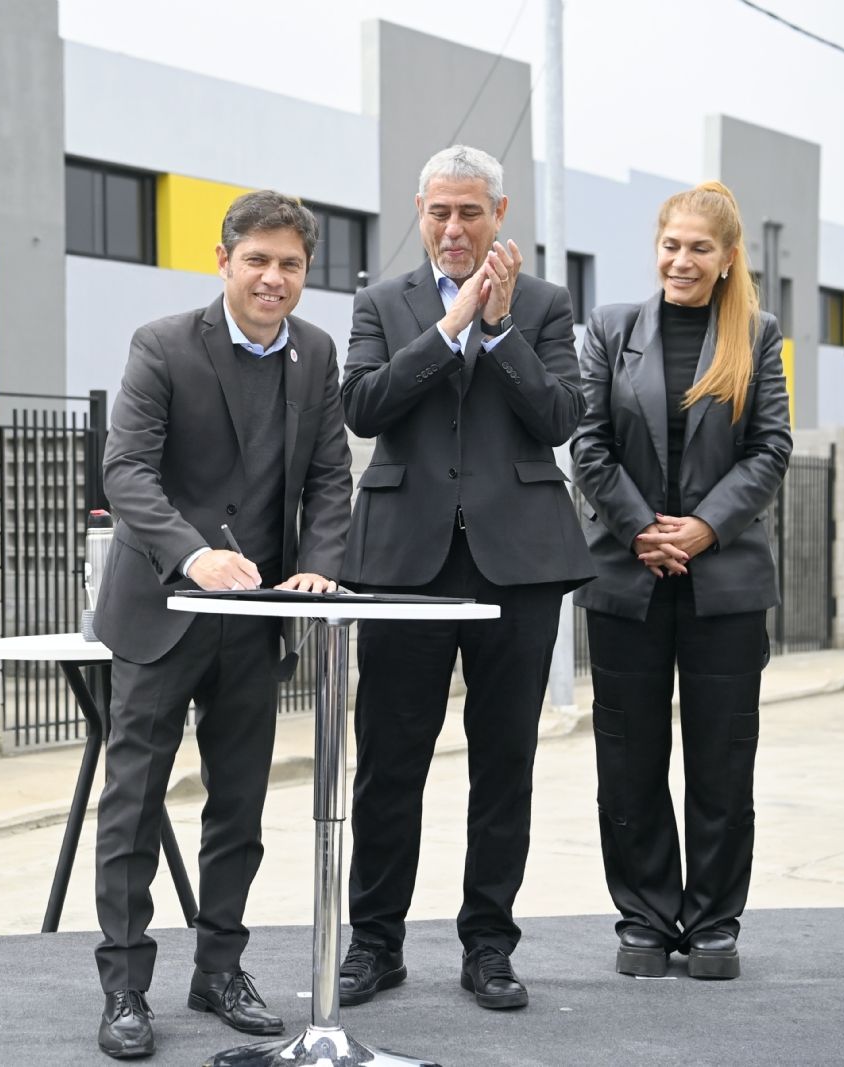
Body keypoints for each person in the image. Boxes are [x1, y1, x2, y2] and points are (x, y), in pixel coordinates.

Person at [90, 190, 352, 1059]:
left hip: (256, 620)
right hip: (163, 609)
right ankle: (125, 986)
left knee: (239, 807)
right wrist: (192, 554)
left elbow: (329, 475)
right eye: (258, 260)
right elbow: (127, 470)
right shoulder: (163, 344)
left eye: (290, 264)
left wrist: (319, 563)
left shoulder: (316, 353)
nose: (274, 278)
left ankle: (220, 969)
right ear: (223, 260)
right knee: (133, 805)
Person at [338, 145, 595, 1011]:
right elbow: (364, 406)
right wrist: (450, 330)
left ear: (499, 214)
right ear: (420, 212)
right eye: (440, 212)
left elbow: (559, 416)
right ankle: (375, 942)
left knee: (505, 761)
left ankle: (489, 944)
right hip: (402, 563)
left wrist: (499, 326)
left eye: (471, 212)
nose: (454, 228)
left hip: (517, 564)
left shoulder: (546, 304)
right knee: (389, 761)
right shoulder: (381, 304)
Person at [569, 181, 792, 980]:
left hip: (723, 581)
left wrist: (703, 528)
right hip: (627, 576)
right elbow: (587, 441)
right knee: (628, 757)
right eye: (672, 245)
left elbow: (771, 447)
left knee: (723, 759)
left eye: (700, 248)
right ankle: (644, 916)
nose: (682, 260)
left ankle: (713, 923)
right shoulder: (610, 328)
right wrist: (641, 528)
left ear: (727, 258)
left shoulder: (757, 335)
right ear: (656, 247)